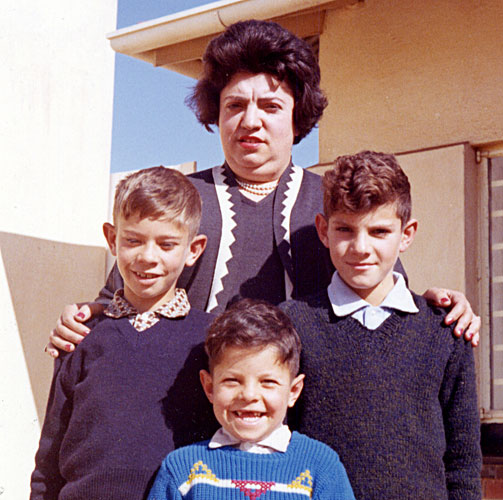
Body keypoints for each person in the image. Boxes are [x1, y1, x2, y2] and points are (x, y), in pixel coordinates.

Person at [45, 19, 479, 357]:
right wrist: (82, 316)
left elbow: (385, 295)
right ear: (217, 113)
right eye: (235, 105)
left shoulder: (333, 205)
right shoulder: (177, 201)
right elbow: (117, 301)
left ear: (296, 116)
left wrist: (438, 307)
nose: (250, 121)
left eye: (270, 106)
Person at [281, 151, 482, 498]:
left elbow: (463, 461)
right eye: (345, 229)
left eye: (379, 231)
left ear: (406, 234)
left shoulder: (445, 331)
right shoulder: (291, 324)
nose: (361, 247)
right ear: (323, 230)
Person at [30, 167, 219, 500]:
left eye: (166, 244)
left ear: (194, 249)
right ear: (112, 239)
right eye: (133, 240)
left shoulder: (211, 340)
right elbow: (49, 458)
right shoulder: (81, 336)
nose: (147, 257)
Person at [147, 298, 355, 499]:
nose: (249, 395)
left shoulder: (321, 467)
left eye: (268, 382)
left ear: (293, 391)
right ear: (209, 387)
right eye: (232, 381)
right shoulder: (182, 470)